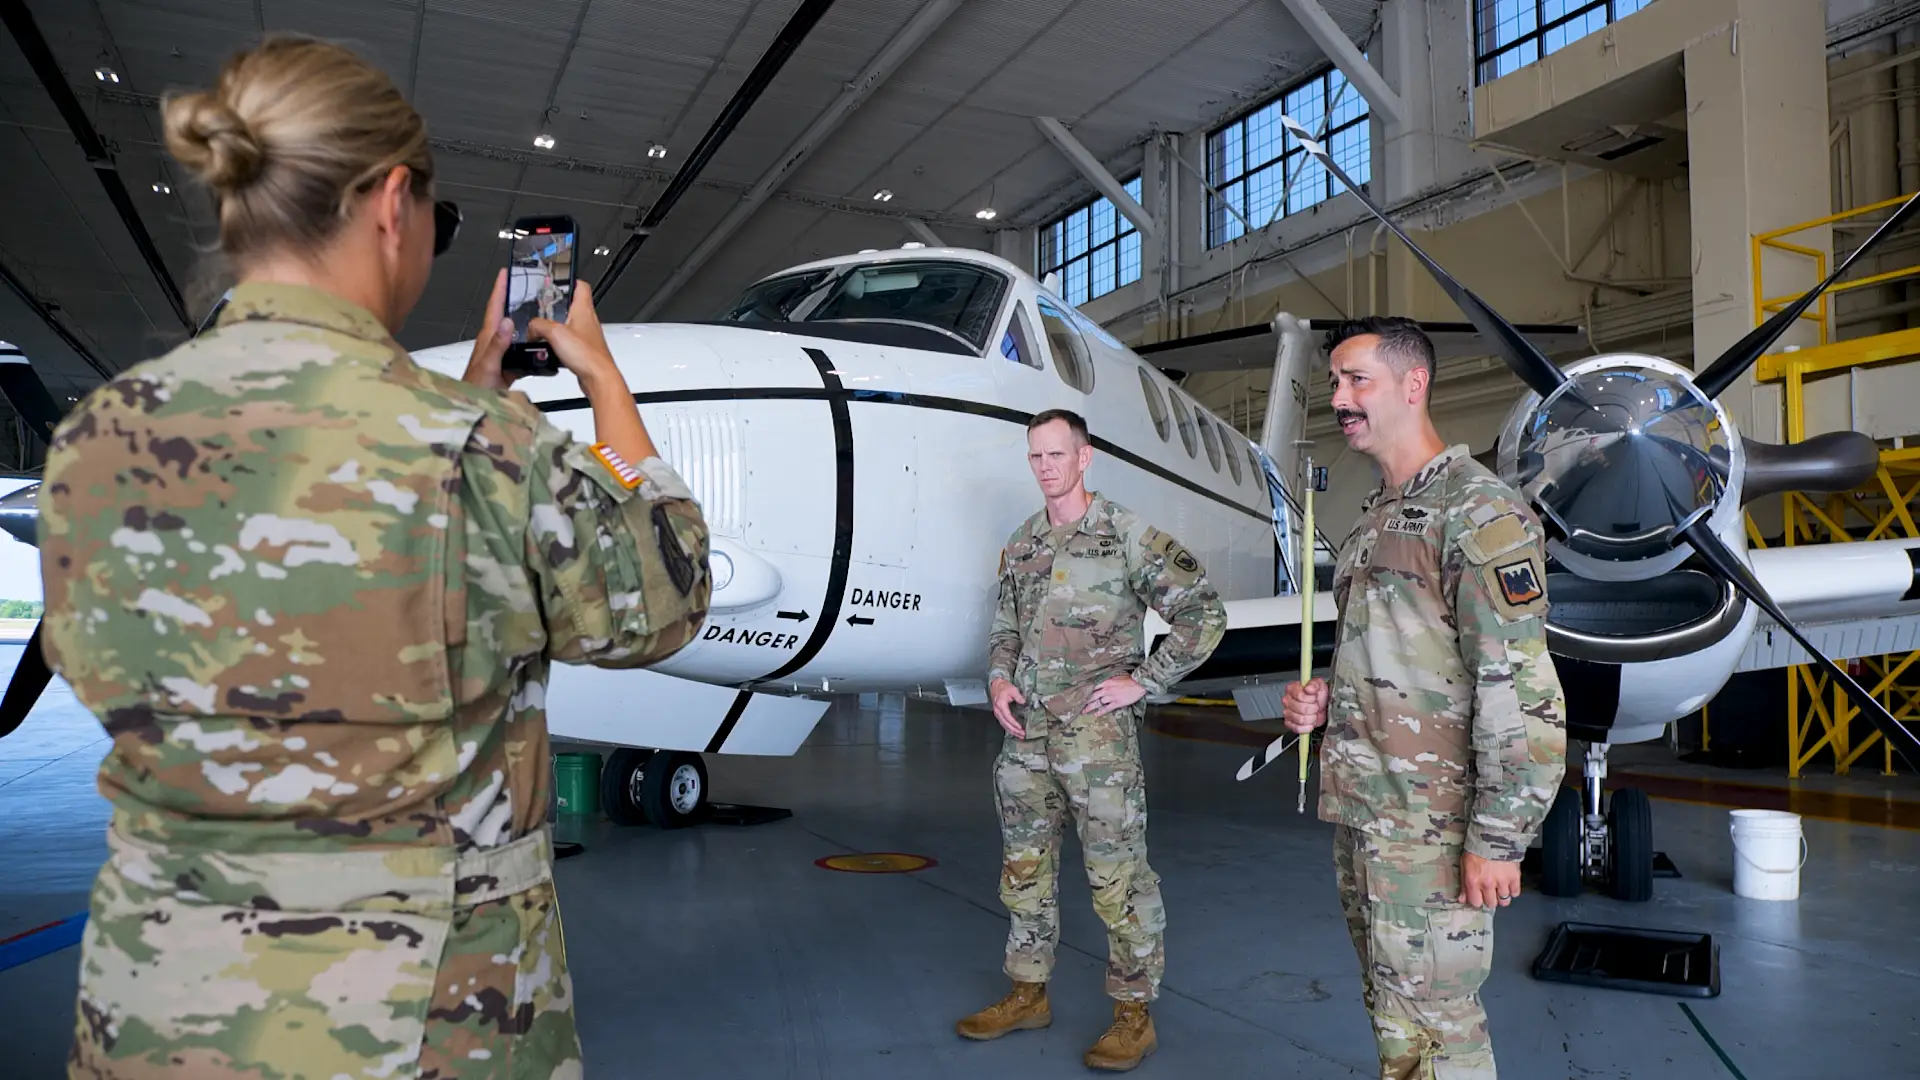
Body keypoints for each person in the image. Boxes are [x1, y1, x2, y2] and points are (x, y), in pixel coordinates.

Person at [36, 34, 709, 1079]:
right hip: (423, 1019)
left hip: (154, 1007)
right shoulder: (491, 453)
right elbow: (665, 599)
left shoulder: (96, 437)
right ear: (394, 203)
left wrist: (478, 390)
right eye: (438, 219)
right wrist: (602, 377)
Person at [1281, 317, 1566, 1079]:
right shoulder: (1378, 515)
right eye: (1335, 383)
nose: (1339, 399)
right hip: (1370, 814)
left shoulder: (1478, 512)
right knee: (1395, 1013)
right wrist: (1326, 701)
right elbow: (1400, 659)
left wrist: (1498, 839)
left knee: (1439, 1024)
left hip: (1431, 829)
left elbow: (1521, 689)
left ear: (1414, 384)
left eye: (1357, 380)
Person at [958, 409, 1227, 1072]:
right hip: (1027, 739)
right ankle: (1028, 993)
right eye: (1036, 456)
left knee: (1118, 879)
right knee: (1024, 871)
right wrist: (999, 679)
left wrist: (1145, 681)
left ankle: (1134, 1016)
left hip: (1097, 745)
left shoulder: (1126, 535)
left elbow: (1202, 613)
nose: (1045, 467)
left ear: (1084, 458)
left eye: (1057, 454)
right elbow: (1005, 627)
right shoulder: (1023, 543)